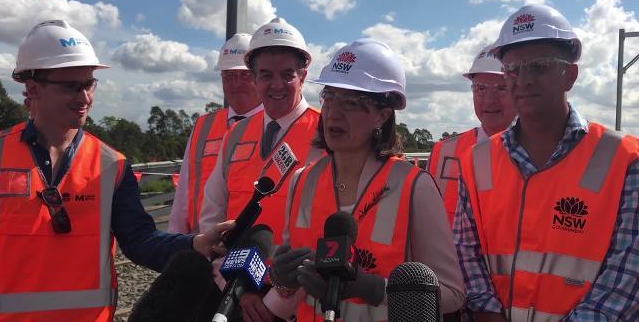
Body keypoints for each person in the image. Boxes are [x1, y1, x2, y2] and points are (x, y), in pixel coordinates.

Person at [0, 20, 234, 321]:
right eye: (71, 86)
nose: (84, 97)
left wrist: (194, 243)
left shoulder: (111, 164)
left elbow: (139, 240)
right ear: (32, 89)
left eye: (89, 83)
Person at [454, 4, 639, 321]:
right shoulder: (477, 160)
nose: (522, 80)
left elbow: (626, 279)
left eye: (537, 67)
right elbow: (466, 255)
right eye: (512, 69)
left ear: (570, 75)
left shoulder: (625, 159)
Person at [269, 39, 465, 321]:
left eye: (351, 103)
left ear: (382, 116)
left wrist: (373, 288)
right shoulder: (301, 181)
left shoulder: (413, 187)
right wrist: (283, 282)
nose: (334, 113)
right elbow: (292, 297)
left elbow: (451, 294)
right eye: (330, 97)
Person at [199, 17, 322, 321]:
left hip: (293, 298)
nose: (276, 85)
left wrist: (277, 297)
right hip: (233, 291)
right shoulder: (237, 134)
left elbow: (323, 227)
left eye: (287, 74)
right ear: (253, 78)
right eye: (266, 75)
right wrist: (230, 283)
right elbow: (212, 215)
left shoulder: (325, 135)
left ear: (303, 76)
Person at [169, 33, 262, 234]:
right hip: (201, 246)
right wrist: (176, 242)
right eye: (228, 76)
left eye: (244, 75)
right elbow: (184, 191)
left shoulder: (274, 126)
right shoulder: (204, 126)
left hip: (249, 246)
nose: (236, 83)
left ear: (258, 76)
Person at [427, 43, 516, 224]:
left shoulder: (541, 152)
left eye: (501, 88)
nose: (490, 100)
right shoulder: (443, 152)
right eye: (481, 89)